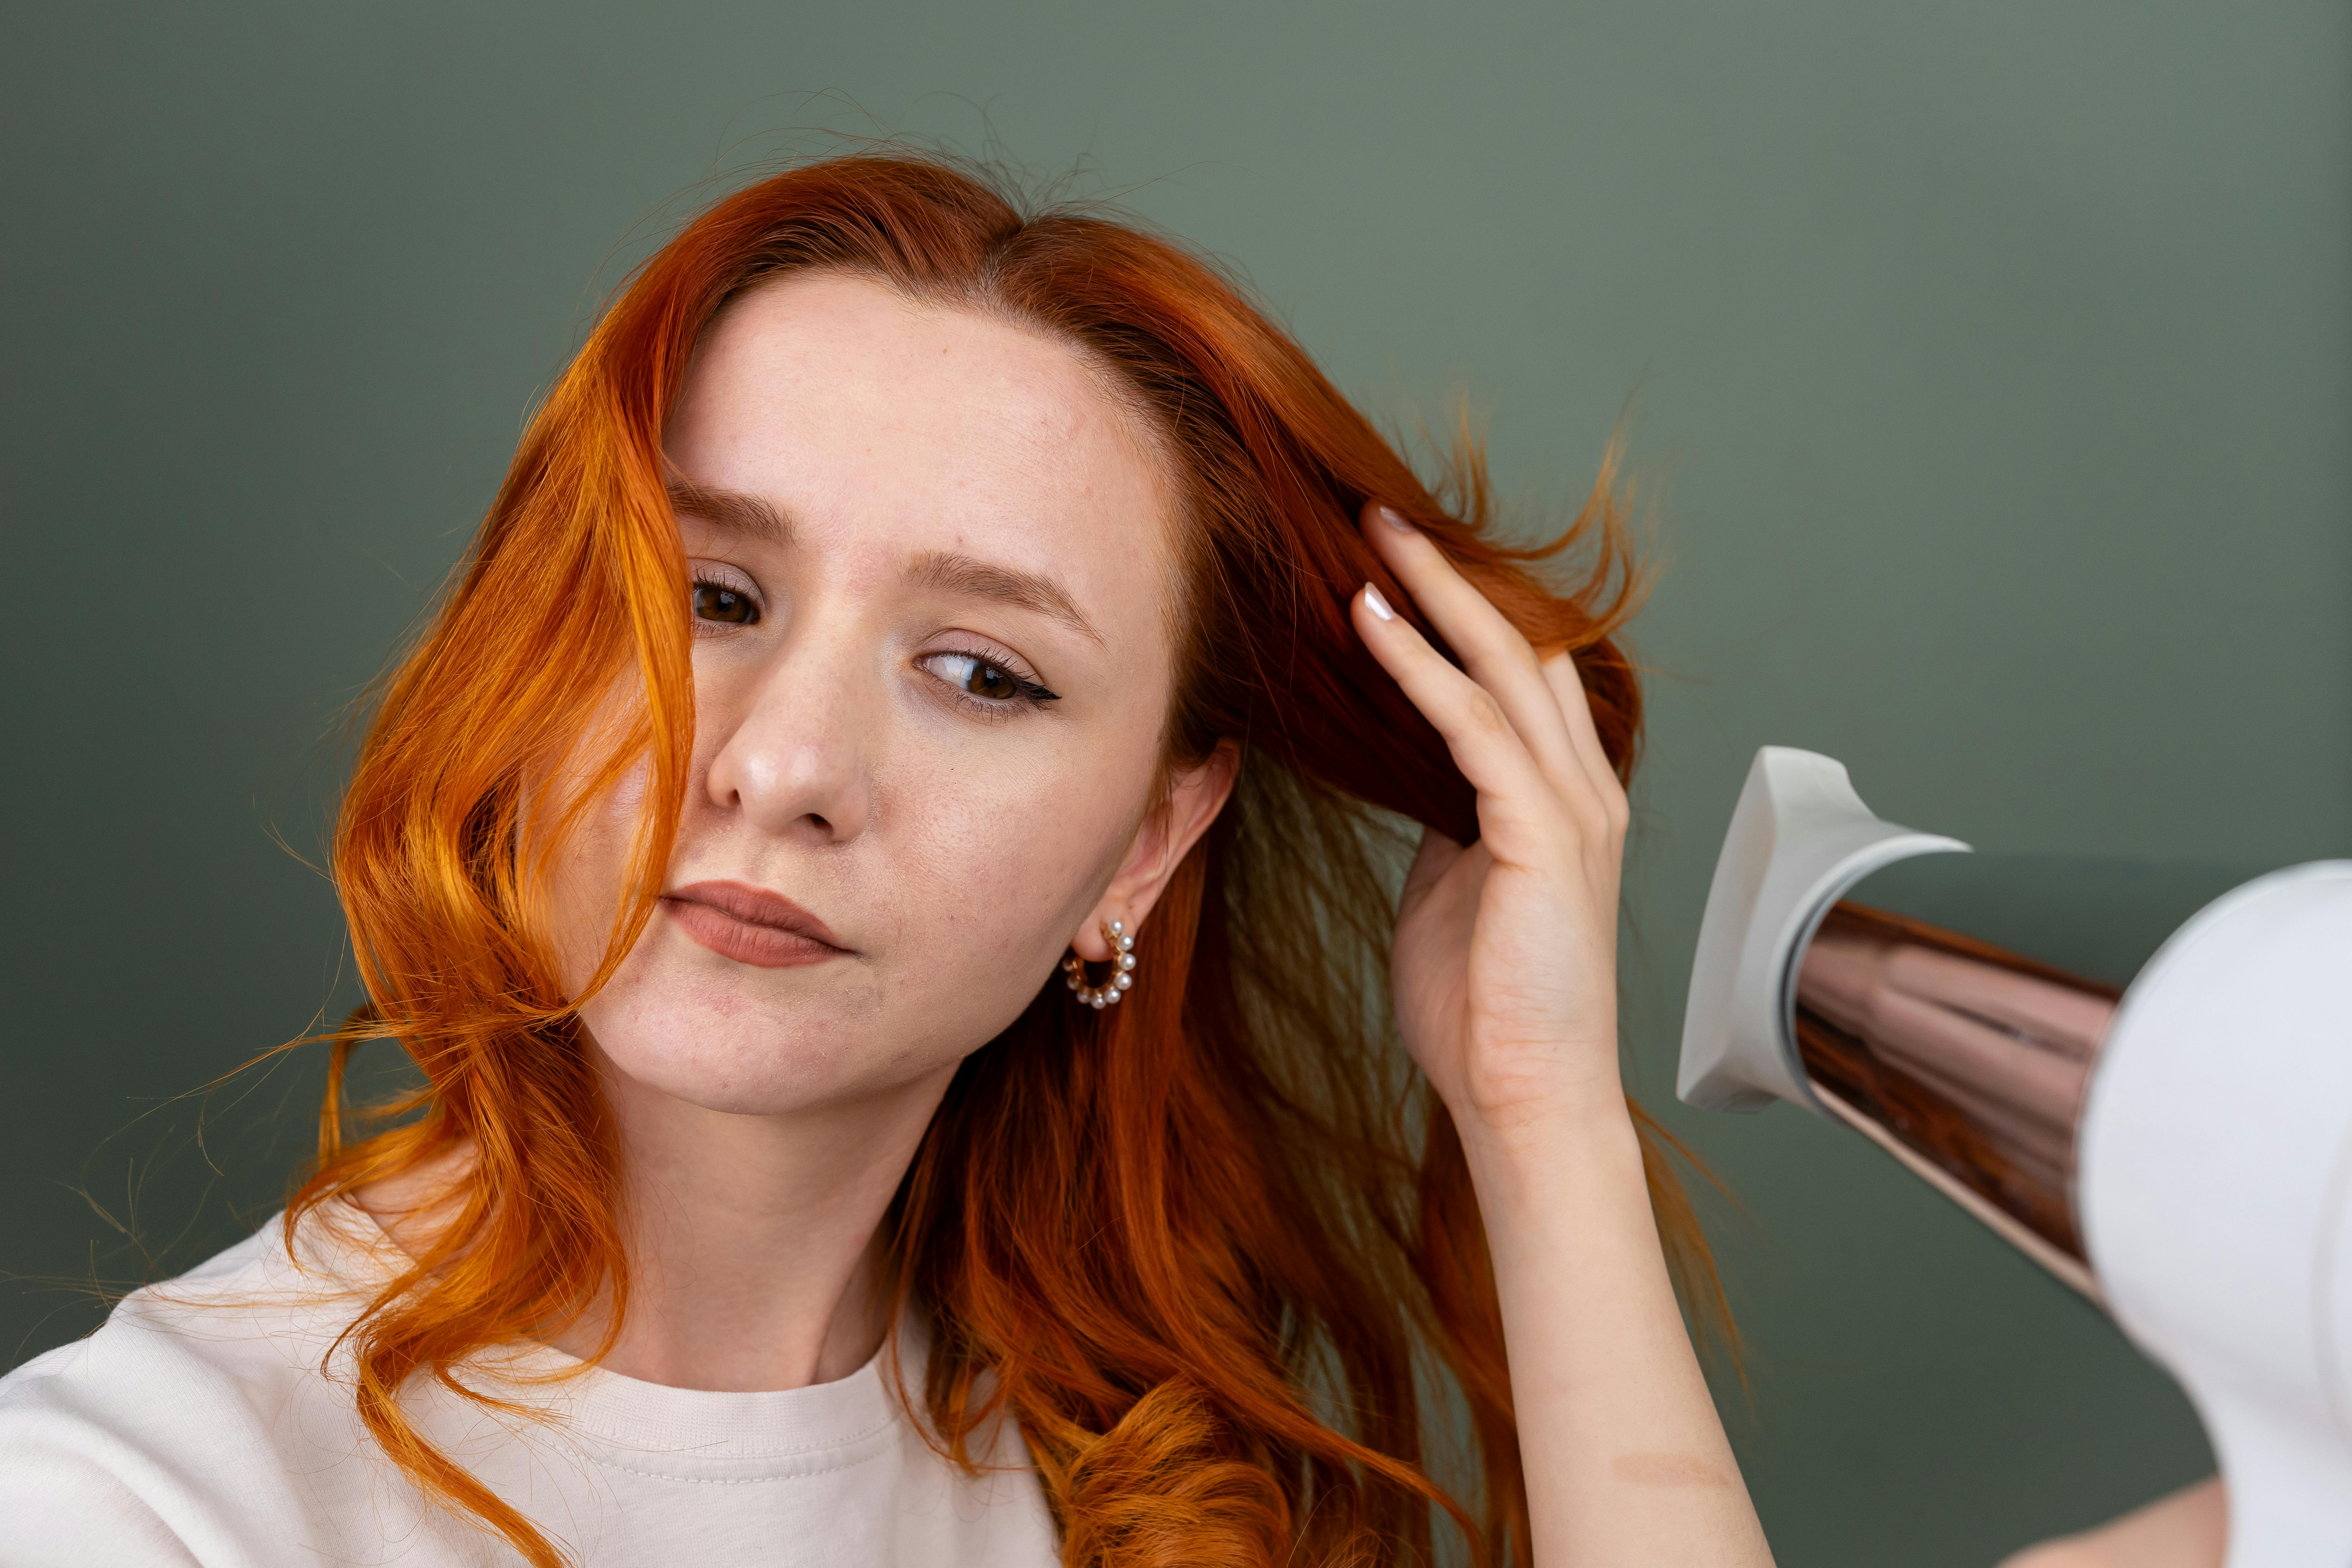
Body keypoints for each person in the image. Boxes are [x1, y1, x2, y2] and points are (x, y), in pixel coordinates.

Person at [0, 153, 1771, 1568]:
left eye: (981, 673)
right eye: (711, 599)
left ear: (1141, 850)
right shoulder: (134, 1511)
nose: (782, 766)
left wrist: (1540, 1120)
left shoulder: (1128, 1494)